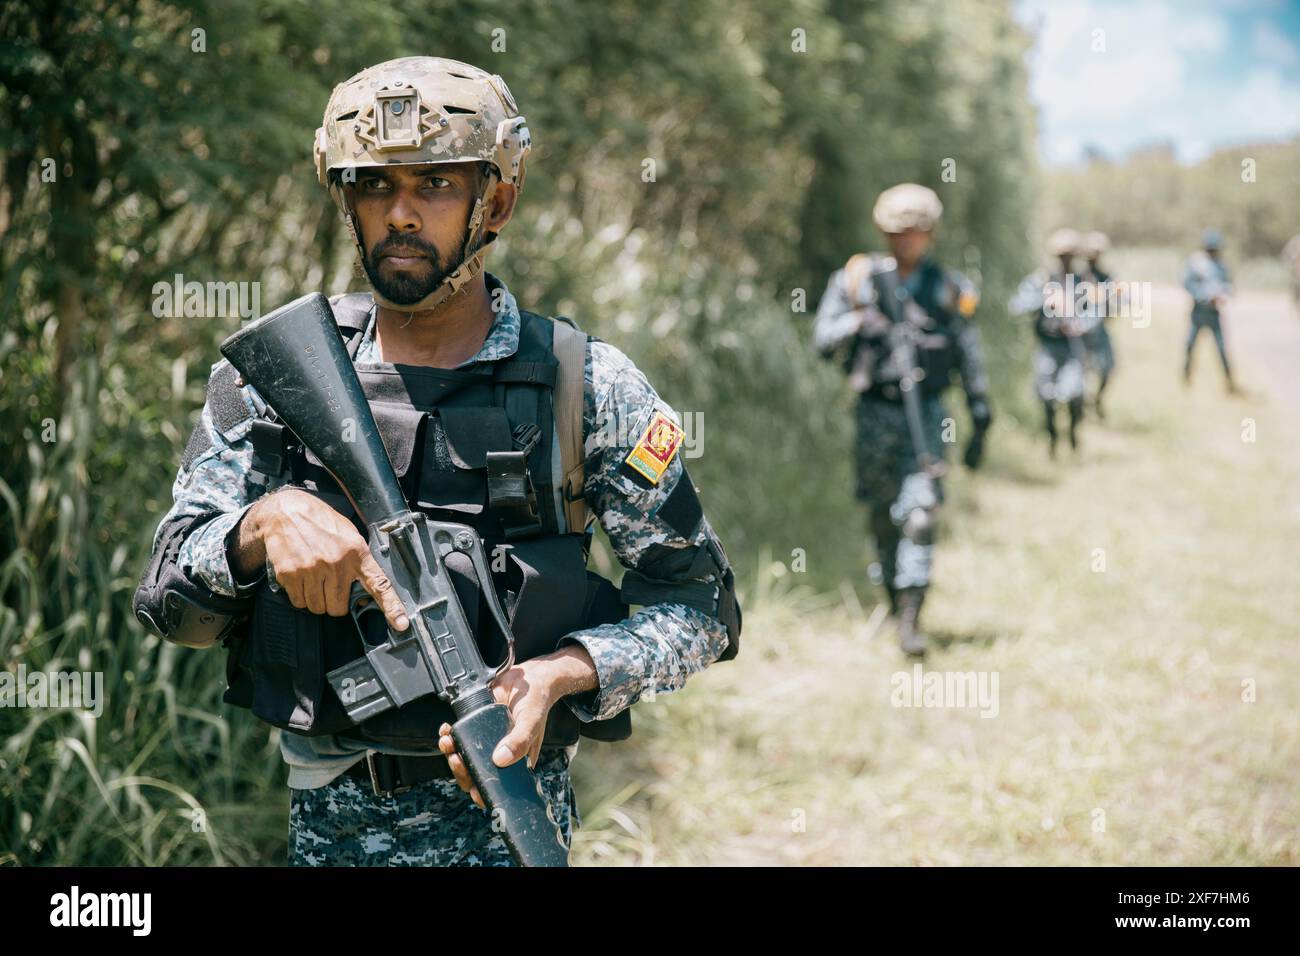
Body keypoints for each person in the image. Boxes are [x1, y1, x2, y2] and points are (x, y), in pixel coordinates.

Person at [133, 56, 740, 866]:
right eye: (376, 187)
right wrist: (259, 527)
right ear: (345, 199)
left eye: (436, 186)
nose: (402, 215)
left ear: (498, 201)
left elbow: (702, 608)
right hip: (330, 828)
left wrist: (565, 672)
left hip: (511, 820)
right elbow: (168, 600)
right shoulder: (274, 380)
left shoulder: (581, 384)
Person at [813, 183, 991, 657]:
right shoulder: (856, 280)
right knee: (883, 516)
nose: (908, 241)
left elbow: (968, 352)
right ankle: (894, 602)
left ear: (930, 234)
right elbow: (823, 337)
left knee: (921, 514)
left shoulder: (949, 288)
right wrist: (860, 322)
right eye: (899, 232)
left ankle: (910, 623)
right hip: (875, 414)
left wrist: (981, 412)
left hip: (928, 415)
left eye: (917, 232)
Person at [1010, 228, 1091, 457]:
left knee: (1076, 394)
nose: (1066, 260)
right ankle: (1052, 437)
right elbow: (1017, 305)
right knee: (1046, 395)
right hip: (1048, 345)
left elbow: (1095, 312)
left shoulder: (1083, 282)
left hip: (1072, 345)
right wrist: (1045, 301)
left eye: (1070, 256)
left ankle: (1073, 434)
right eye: (1062, 256)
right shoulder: (1041, 280)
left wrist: (1080, 324)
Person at [1182, 228, 1237, 393]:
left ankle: (1228, 381)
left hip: (1214, 314)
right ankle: (1186, 377)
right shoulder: (1196, 263)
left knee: (1221, 349)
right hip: (1198, 312)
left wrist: (1224, 294)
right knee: (1190, 346)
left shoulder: (1221, 266)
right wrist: (1204, 296)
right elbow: (1187, 283)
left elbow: (1228, 285)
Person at [1077, 231, 1118, 419]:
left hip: (1099, 330)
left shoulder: (1106, 277)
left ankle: (1097, 400)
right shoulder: (1077, 277)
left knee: (1108, 369)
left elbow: (1116, 303)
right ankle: (1081, 405)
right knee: (1081, 372)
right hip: (1080, 332)